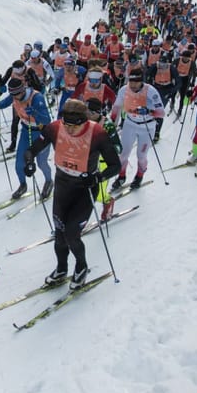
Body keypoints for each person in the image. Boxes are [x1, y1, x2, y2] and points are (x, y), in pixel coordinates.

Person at [24, 99, 120, 289]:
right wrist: (29, 162)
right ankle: (61, 268)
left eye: (74, 126)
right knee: (59, 234)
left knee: (71, 233)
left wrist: (98, 178)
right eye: (66, 124)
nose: (69, 130)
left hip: (84, 189)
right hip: (62, 187)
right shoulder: (54, 128)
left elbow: (115, 165)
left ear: (84, 121)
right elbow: (31, 150)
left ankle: (81, 267)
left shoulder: (97, 133)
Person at [0, 77, 54, 200]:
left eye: (17, 94)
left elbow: (47, 119)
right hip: (26, 131)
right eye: (13, 94)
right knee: (19, 163)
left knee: (41, 163)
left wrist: (35, 113)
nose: (15, 97)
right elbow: (7, 101)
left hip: (41, 133)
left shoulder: (36, 98)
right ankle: (23, 185)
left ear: (23, 89)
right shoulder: (15, 95)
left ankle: (49, 181)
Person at [108, 67, 165, 190]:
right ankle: (121, 176)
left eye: (136, 82)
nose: (132, 85)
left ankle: (139, 175)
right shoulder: (124, 90)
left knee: (141, 155)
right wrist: (112, 123)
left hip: (147, 127)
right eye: (131, 81)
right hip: (130, 124)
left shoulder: (151, 91)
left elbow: (161, 113)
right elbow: (117, 107)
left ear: (141, 81)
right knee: (123, 154)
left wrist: (149, 111)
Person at [84, 98, 122, 221]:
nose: (87, 115)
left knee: (98, 193)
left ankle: (108, 202)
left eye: (90, 112)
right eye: (85, 111)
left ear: (97, 113)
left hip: (103, 164)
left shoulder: (107, 125)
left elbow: (118, 147)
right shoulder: (83, 123)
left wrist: (104, 149)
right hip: (86, 162)